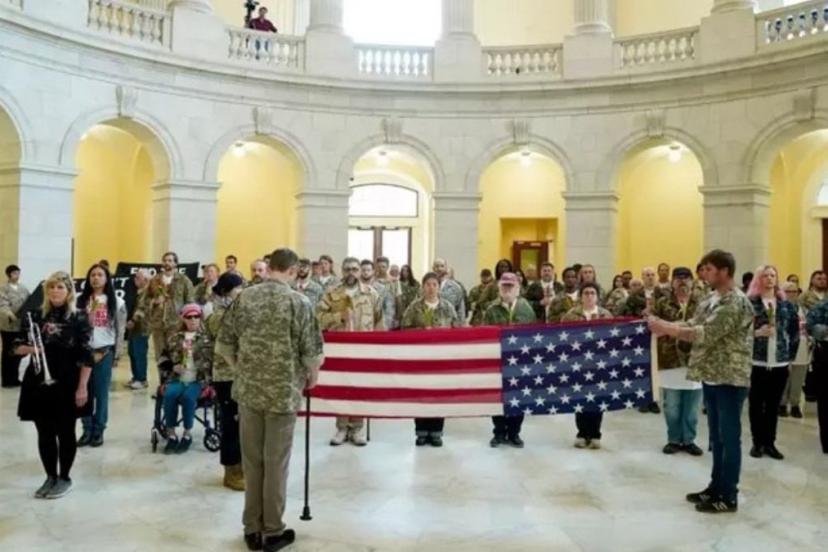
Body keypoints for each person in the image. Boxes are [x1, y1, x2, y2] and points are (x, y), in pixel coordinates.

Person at [217, 248, 323, 552]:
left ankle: (251, 528)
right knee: (276, 464)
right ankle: (272, 530)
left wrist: (242, 369)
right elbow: (311, 352)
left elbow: (225, 345)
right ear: (290, 271)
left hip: (248, 393)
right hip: (282, 395)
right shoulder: (299, 302)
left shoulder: (245, 297)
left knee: (252, 463)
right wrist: (311, 377)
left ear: (270, 267)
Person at [649, 249, 754, 514]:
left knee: (730, 438)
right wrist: (661, 322)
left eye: (708, 269)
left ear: (724, 271)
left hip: (730, 377)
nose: (703, 274)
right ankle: (715, 487)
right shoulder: (710, 299)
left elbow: (705, 333)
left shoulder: (735, 302)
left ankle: (728, 495)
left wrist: (668, 330)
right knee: (716, 438)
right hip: (711, 374)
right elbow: (693, 321)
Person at [14, 271, 93, 499]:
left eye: (60, 287)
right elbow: (15, 346)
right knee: (44, 431)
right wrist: (31, 349)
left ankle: (64, 477)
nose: (55, 291)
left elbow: (87, 355)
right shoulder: (36, 315)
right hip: (39, 379)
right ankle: (50, 476)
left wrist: (82, 387)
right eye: (51, 287)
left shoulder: (79, 317)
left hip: (68, 380)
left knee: (66, 431)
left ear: (69, 291)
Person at [317, 257, 385, 446]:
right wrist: (339, 317)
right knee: (342, 389)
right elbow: (318, 318)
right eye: (347, 269)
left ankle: (357, 429)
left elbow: (380, 323)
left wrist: (380, 350)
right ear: (341, 270)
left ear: (360, 271)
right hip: (340, 351)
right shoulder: (331, 294)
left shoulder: (371, 294)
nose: (351, 273)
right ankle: (341, 428)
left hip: (363, 351)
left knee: (359, 389)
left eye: (355, 269)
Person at [746, 266, 800, 461]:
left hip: (779, 362)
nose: (769, 279)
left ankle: (770, 442)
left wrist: (790, 357)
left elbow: (794, 333)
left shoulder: (786, 305)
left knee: (772, 405)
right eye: (765, 276)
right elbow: (739, 332)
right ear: (758, 280)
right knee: (756, 403)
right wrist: (757, 333)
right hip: (757, 361)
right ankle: (757, 442)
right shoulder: (750, 304)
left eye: (772, 275)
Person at [401, 272, 460, 447]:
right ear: (423, 287)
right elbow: (404, 329)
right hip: (420, 359)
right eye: (428, 284)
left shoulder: (447, 307)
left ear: (439, 287)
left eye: (435, 284)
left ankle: (436, 431)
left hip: (441, 359)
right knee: (420, 394)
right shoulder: (414, 308)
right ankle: (421, 431)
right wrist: (420, 333)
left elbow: (457, 330)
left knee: (438, 395)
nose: (431, 288)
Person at [652, 267, 703, 456]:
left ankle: (689, 440)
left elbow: (703, 326)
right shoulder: (662, 303)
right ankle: (673, 439)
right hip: (669, 359)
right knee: (672, 406)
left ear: (692, 281)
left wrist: (669, 327)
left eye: (686, 278)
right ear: (672, 282)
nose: (682, 281)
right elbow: (652, 323)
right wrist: (665, 328)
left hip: (695, 360)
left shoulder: (702, 303)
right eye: (678, 278)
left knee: (691, 407)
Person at [75, 264, 125, 448]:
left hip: (104, 351)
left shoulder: (116, 302)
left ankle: (99, 429)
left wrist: (117, 354)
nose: (96, 278)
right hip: (84, 352)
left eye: (100, 275)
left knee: (101, 393)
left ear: (106, 278)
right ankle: (86, 428)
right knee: (83, 392)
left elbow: (120, 330)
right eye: (93, 275)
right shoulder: (80, 301)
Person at [485, 272, 535, 448]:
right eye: (504, 286)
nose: (507, 289)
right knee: (497, 399)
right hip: (497, 361)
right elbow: (485, 334)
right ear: (499, 288)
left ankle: (514, 433)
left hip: (519, 363)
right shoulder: (491, 310)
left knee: (517, 398)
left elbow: (532, 336)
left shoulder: (526, 309)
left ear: (517, 289)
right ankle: (498, 432)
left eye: (510, 286)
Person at [205, 273, 245, 489]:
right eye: (239, 288)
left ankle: (241, 466)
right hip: (225, 375)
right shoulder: (216, 312)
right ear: (226, 291)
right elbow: (219, 332)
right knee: (230, 423)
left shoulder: (235, 310)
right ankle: (231, 471)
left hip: (240, 373)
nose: (243, 292)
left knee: (242, 423)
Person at [563, 283, 613, 449]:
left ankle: (595, 433)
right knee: (580, 398)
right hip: (579, 364)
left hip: (599, 364)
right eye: (586, 293)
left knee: (598, 399)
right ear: (581, 296)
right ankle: (582, 433)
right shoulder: (571, 315)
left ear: (597, 296)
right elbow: (563, 337)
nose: (589, 296)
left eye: (592, 293)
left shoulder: (606, 315)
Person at [162, 304, 212, 455]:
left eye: (196, 317)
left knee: (188, 398)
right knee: (169, 395)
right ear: (183, 319)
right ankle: (171, 433)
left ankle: (187, 433)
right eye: (189, 317)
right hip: (178, 378)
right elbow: (162, 358)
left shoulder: (207, 339)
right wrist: (172, 366)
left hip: (198, 379)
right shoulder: (174, 338)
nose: (193, 320)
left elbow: (216, 361)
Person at [133, 252, 194, 363]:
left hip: (176, 324)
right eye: (165, 260)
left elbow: (190, 303)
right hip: (158, 324)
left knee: (175, 354)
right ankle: (163, 379)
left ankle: (174, 379)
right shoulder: (154, 280)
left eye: (170, 260)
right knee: (160, 356)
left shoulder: (184, 281)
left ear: (175, 264)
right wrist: (154, 301)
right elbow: (144, 300)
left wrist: (187, 322)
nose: (167, 263)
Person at [780, 282, 810, 419]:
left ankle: (795, 404)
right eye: (788, 291)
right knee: (784, 377)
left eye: (794, 291)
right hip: (784, 347)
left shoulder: (802, 309)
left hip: (802, 347)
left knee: (798, 378)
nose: (792, 294)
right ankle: (781, 403)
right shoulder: (779, 308)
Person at [0, 264, 30, 388]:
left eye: (18, 273)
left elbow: (29, 301)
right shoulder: (3, 288)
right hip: (8, 325)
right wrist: (9, 313)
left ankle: (15, 378)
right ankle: (7, 380)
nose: (16, 275)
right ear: (9, 274)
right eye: (14, 273)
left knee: (18, 352)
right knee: (8, 352)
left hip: (20, 325)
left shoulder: (23, 288)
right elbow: (2, 304)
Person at [805, 296, 828, 454]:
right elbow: (809, 325)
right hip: (825, 354)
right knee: (825, 400)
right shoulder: (822, 306)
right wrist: (825, 329)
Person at [125, 269, 150, 390]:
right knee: (132, 352)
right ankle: (136, 377)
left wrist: (133, 320)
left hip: (142, 327)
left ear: (145, 280)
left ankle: (142, 379)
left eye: (137, 277)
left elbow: (143, 310)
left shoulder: (149, 293)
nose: (135, 279)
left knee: (139, 352)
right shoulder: (139, 292)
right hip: (133, 327)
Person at [361, 259, 396, 330]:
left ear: (373, 271)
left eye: (368, 270)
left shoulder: (382, 289)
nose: (366, 272)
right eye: (363, 270)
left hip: (377, 327)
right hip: (358, 328)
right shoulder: (354, 289)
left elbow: (389, 310)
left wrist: (385, 326)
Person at [432, 258, 466, 323]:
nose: (439, 269)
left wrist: (459, 326)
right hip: (431, 327)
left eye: (442, 266)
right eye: (437, 266)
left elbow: (460, 311)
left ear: (446, 268)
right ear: (433, 268)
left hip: (449, 326)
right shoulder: (425, 287)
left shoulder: (455, 287)